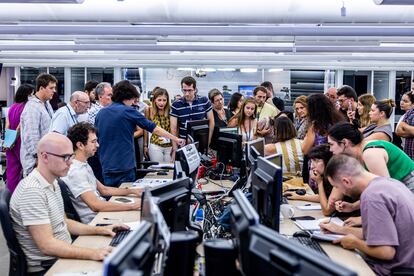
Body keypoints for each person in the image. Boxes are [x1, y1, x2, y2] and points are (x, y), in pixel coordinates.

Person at [9, 133, 126, 275]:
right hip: (50, 266)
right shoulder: (32, 191)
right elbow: (47, 245)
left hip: (63, 254)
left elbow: (65, 222)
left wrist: (102, 229)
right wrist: (94, 253)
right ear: (45, 156)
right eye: (65, 157)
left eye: (71, 156)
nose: (70, 162)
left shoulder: (53, 181)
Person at [320, 154, 414, 276]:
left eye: (337, 187)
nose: (342, 192)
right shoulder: (391, 183)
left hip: (394, 269)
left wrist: (355, 243)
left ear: (346, 181)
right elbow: (380, 235)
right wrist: (340, 229)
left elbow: (386, 251)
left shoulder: (372, 196)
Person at [95, 80, 185, 187]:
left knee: (112, 198)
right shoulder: (128, 111)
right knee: (126, 198)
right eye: (133, 99)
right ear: (128, 97)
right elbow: (154, 128)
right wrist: (175, 138)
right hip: (124, 166)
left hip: (106, 165)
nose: (134, 102)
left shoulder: (101, 113)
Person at [63, 122, 142, 224]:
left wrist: (133, 191)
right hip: (95, 220)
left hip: (102, 214)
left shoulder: (83, 164)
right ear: (80, 145)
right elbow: (95, 205)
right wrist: (132, 206)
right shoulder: (75, 172)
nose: (98, 145)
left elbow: (103, 190)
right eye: (93, 142)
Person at [328, 121, 414, 193]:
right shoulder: (362, 152)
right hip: (403, 187)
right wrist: (353, 206)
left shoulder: (370, 153)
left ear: (344, 142)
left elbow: (386, 190)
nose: (330, 149)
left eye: (331, 144)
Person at [283, 144, 345, 216]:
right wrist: (299, 197)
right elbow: (325, 198)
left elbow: (327, 211)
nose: (312, 166)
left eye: (317, 161)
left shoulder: (337, 179)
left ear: (328, 162)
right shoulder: (326, 176)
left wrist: (319, 182)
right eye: (312, 161)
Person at [20, 73, 56, 176]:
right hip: (35, 162)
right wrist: (38, 158)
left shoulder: (46, 103)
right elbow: (31, 136)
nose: (54, 91)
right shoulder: (32, 107)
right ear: (41, 88)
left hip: (45, 158)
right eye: (51, 88)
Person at [170, 76, 214, 159]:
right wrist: (175, 149)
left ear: (195, 89)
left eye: (189, 90)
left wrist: (207, 143)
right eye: (184, 90)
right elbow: (173, 129)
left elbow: (211, 122)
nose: (187, 93)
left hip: (200, 143)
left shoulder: (204, 101)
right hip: (183, 144)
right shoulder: (176, 105)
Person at [5, 84, 34, 193]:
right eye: (32, 93)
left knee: (12, 172)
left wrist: (8, 142)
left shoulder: (12, 107)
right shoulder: (26, 107)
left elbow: (7, 125)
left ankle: (10, 197)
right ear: (27, 94)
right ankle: (23, 197)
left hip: (10, 142)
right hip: (20, 142)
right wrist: (14, 139)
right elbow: (20, 127)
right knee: (27, 171)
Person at [143, 88, 173, 163]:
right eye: (159, 100)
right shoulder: (149, 110)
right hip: (155, 145)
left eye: (164, 100)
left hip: (169, 145)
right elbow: (145, 129)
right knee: (157, 169)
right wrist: (145, 146)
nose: (162, 103)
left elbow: (175, 128)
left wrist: (175, 146)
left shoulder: (171, 110)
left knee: (169, 170)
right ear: (154, 100)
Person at [396, 91, 414, 159]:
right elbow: (398, 131)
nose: (401, 103)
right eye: (401, 100)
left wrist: (404, 126)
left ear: (413, 104)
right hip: (406, 150)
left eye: (405, 101)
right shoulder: (404, 116)